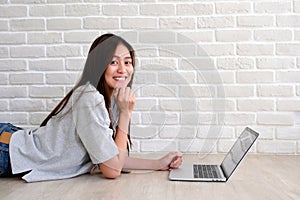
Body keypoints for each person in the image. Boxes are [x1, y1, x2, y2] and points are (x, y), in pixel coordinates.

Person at [0, 33, 183, 182]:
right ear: (99, 66)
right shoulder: (90, 98)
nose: (122, 69)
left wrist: (158, 163)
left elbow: (112, 158)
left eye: (127, 62)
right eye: (113, 62)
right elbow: (112, 169)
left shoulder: (114, 100)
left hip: (15, 142)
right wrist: (126, 114)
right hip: (8, 149)